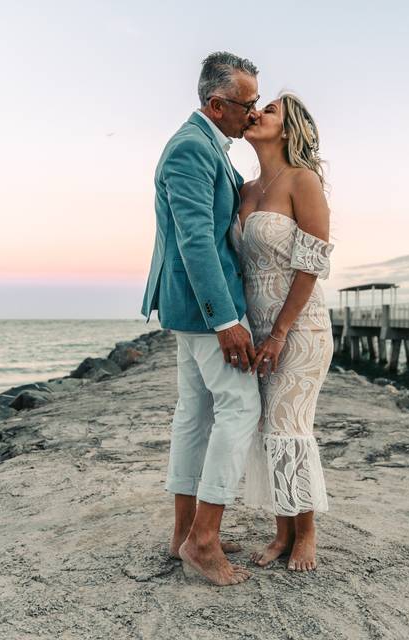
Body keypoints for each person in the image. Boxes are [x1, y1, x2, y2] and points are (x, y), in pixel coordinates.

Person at [140, 51, 262, 586]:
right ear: (217, 104)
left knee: (195, 414)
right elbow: (195, 240)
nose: (253, 113)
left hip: (189, 309)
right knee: (240, 406)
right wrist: (224, 319)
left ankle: (184, 532)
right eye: (246, 103)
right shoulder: (191, 148)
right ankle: (204, 541)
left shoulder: (208, 142)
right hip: (202, 309)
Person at [234, 93, 335, 572]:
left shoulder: (302, 180)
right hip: (256, 329)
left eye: (269, 109)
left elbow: (312, 262)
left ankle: (307, 533)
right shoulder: (244, 188)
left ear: (290, 129)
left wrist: (279, 332)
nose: (257, 112)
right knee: (266, 430)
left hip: (299, 327)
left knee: (289, 426)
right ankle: (281, 532)